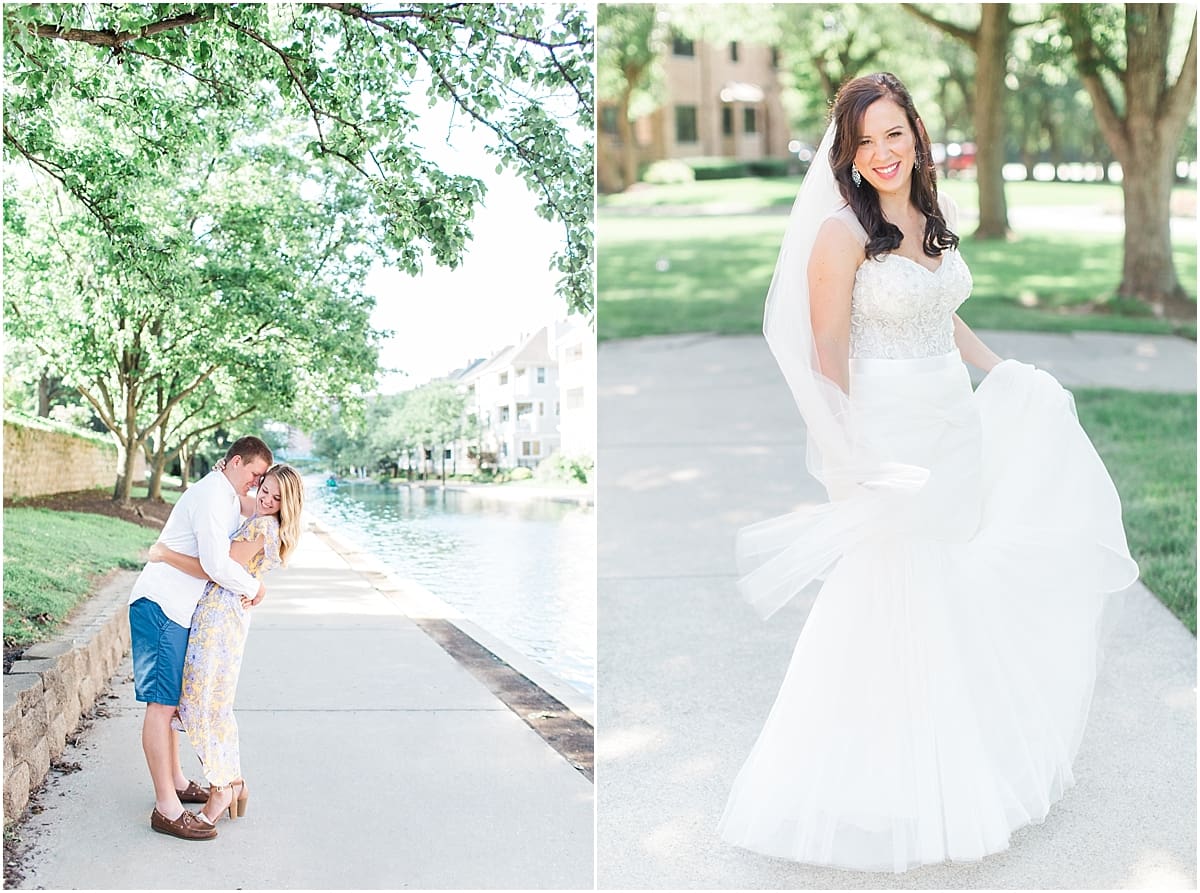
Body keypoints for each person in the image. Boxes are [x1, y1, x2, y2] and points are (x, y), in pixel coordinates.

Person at [717, 73, 1139, 873]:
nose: (883, 153)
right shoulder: (840, 234)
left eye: (894, 134)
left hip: (953, 426)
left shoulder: (925, 216)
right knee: (890, 597)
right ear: (847, 152)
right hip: (890, 434)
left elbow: (940, 311)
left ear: (916, 133)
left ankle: (964, 762)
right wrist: (850, 456)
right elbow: (826, 354)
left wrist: (1003, 373)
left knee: (956, 589)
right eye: (865, 141)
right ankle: (878, 787)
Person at [128, 435, 272, 841]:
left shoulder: (225, 493)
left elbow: (262, 514)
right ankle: (165, 808)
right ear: (236, 462)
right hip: (161, 606)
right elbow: (214, 564)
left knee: (172, 706)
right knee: (161, 706)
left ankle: (175, 781)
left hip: (178, 611)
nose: (257, 484)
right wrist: (253, 587)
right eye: (255, 474)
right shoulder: (212, 495)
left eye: (263, 479)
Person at [147, 463, 305, 826]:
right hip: (222, 614)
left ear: (288, 504)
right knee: (210, 701)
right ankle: (233, 781)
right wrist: (226, 476)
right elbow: (241, 500)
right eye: (264, 489)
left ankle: (223, 788)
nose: (265, 499)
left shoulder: (265, 524)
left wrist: (164, 554)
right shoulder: (263, 511)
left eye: (275, 497)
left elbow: (214, 566)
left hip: (219, 619)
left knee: (203, 705)